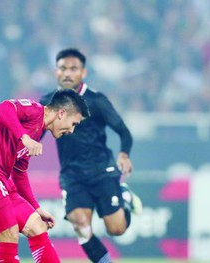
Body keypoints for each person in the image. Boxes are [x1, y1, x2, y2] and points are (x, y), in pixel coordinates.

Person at [0, 89, 90, 263]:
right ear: (61, 113)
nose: (72, 130)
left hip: (1, 180)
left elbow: (19, 173)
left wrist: (36, 207)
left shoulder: (37, 132)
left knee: (37, 226)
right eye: (74, 123)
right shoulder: (35, 111)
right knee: (9, 233)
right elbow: (3, 107)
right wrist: (24, 137)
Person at [40, 48, 143, 263]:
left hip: (102, 171)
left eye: (73, 69)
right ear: (56, 72)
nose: (67, 73)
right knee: (80, 226)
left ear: (83, 73)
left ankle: (124, 197)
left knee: (116, 230)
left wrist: (124, 154)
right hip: (72, 175)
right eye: (63, 68)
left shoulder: (96, 100)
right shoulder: (47, 102)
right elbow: (35, 132)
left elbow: (123, 131)